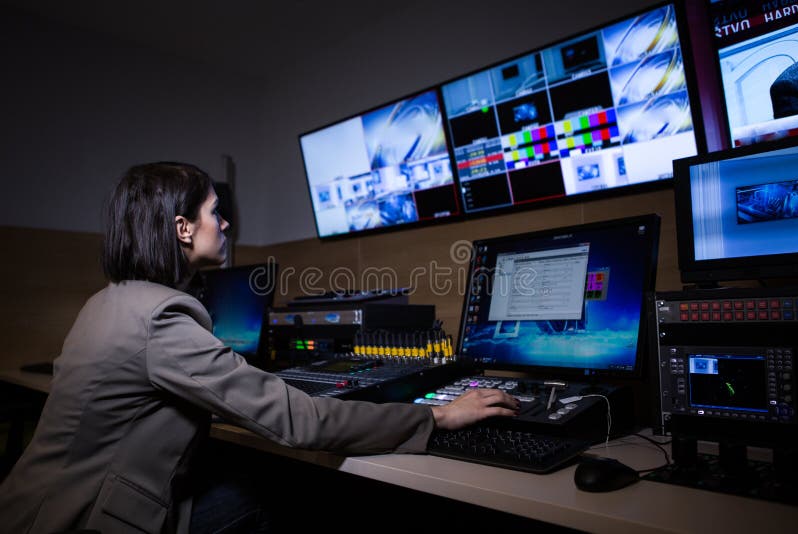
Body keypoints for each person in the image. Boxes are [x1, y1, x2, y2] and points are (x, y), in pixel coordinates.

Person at [0, 162, 518, 534]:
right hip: (88, 518)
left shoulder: (108, 301)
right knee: (291, 487)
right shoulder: (161, 316)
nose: (224, 223)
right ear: (182, 228)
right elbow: (301, 423)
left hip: (33, 508)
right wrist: (435, 418)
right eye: (213, 211)